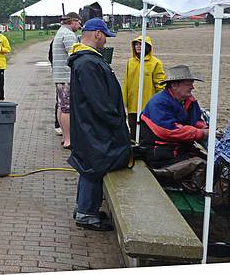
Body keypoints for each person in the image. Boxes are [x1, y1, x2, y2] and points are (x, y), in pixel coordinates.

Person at [68, 18, 131, 231]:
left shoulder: (86, 60)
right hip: (93, 127)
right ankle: (86, 213)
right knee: (94, 166)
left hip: (89, 125)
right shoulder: (88, 62)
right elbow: (99, 101)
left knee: (89, 166)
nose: (105, 42)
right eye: (105, 36)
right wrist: (116, 122)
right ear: (97, 34)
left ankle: (84, 207)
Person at [122, 35, 166, 137]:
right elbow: (126, 83)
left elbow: (160, 85)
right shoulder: (130, 62)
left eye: (140, 44)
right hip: (132, 106)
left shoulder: (156, 63)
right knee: (133, 129)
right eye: (136, 44)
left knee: (146, 132)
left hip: (148, 105)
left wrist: (161, 103)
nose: (138, 46)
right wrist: (124, 101)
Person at [51, 12, 82, 149]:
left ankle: (65, 137)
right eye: (79, 23)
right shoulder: (69, 35)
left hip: (59, 76)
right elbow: (75, 56)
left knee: (61, 107)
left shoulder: (60, 32)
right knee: (67, 109)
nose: (80, 26)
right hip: (66, 77)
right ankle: (69, 139)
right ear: (73, 21)